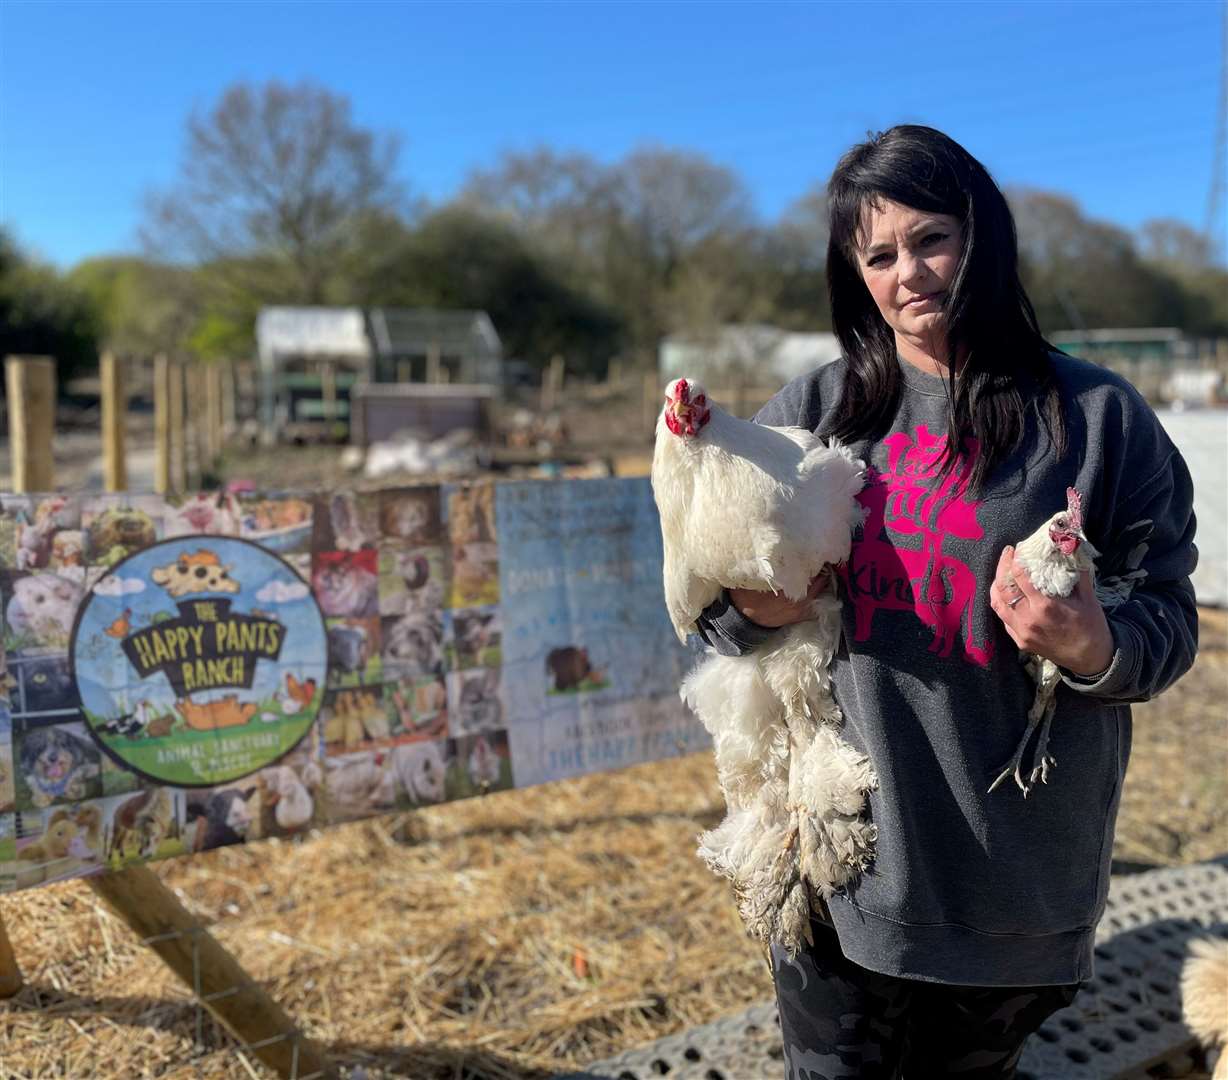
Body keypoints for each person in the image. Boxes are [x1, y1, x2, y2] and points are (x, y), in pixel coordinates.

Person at [696, 125, 1198, 1079]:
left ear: (983, 236)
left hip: (1009, 873)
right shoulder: (813, 412)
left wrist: (1093, 643)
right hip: (838, 849)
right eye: (877, 254)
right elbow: (710, 604)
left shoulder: (1095, 419)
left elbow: (1170, 617)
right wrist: (756, 610)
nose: (908, 273)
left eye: (930, 238)